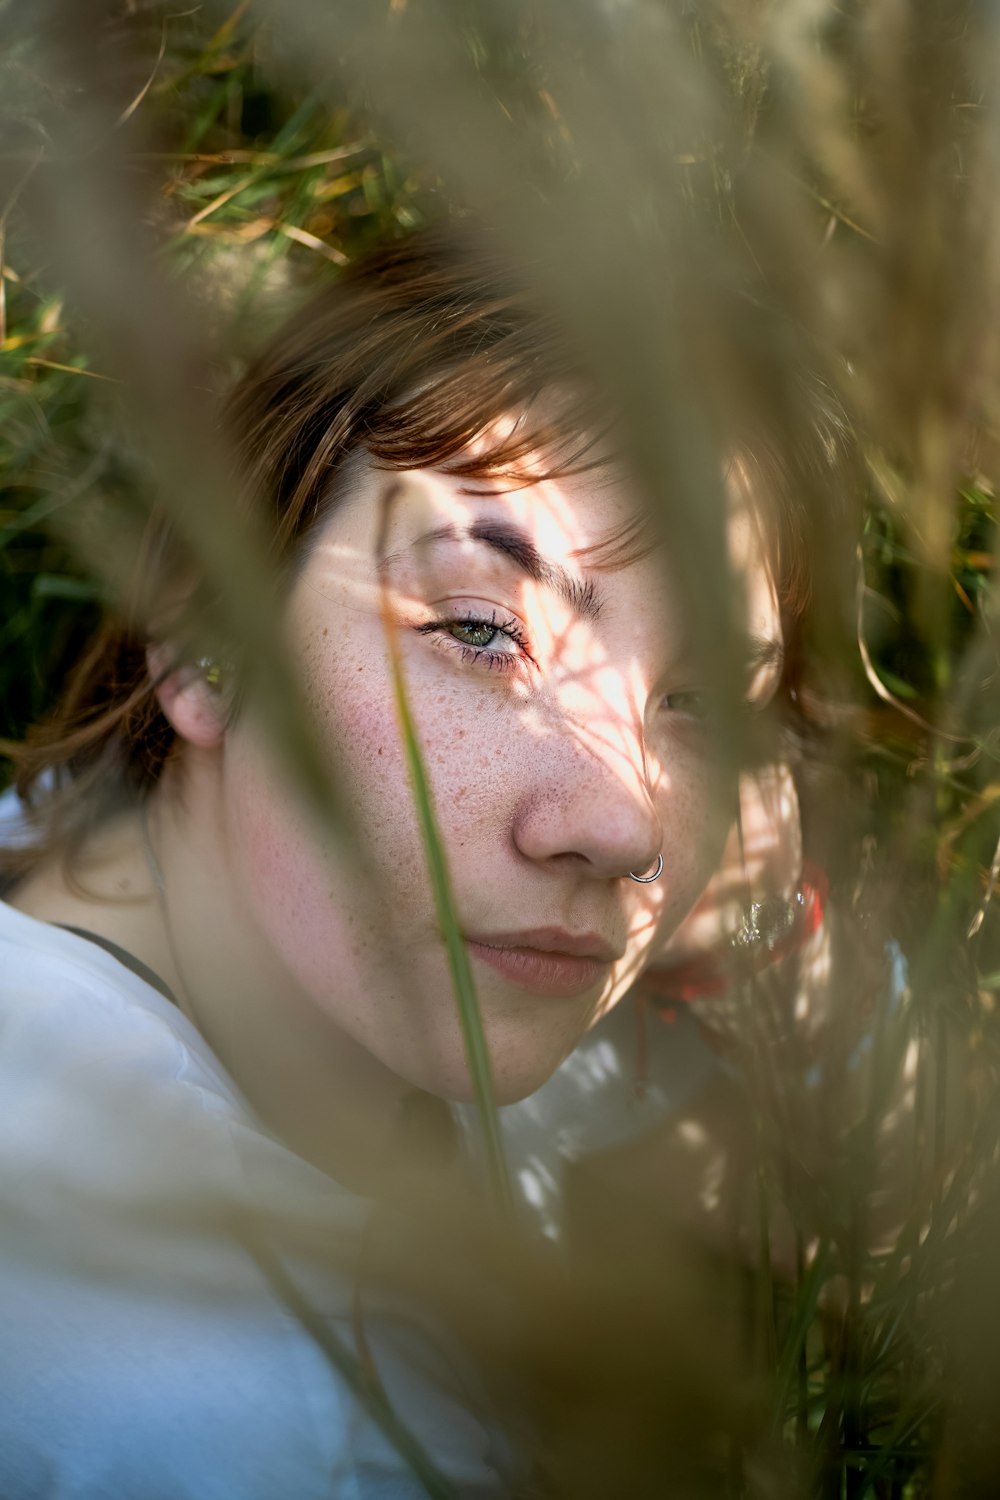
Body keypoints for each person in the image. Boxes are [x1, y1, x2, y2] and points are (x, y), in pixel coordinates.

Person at [0, 225, 801, 1497]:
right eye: (481, 631)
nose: (630, 824)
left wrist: (775, 942)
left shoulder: (123, 869)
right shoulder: (282, 1415)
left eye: (703, 704)